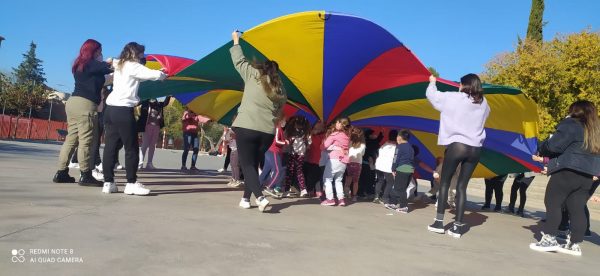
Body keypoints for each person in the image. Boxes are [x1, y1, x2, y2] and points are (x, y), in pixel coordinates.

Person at [529, 100, 600, 256]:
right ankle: (574, 244)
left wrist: (542, 147)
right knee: (577, 208)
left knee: (553, 202)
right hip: (587, 175)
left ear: (575, 110)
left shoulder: (571, 124)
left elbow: (554, 145)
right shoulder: (595, 129)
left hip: (567, 170)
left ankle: (549, 239)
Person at [425, 74, 490, 238]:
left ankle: (439, 222)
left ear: (463, 85)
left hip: (457, 146)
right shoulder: (484, 103)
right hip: (475, 149)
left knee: (445, 182)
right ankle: (458, 227)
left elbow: (432, 96)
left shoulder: (455, 98)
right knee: (462, 187)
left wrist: (432, 83)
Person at [230, 31, 286, 212]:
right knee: (253, 165)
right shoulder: (280, 88)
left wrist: (236, 40)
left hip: (247, 126)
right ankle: (246, 199)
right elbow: (279, 110)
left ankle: (260, 198)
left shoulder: (253, 75)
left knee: (247, 165)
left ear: (262, 67)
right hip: (267, 132)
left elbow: (239, 60)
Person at [101, 42, 167, 195]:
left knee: (110, 147)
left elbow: (138, 77)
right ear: (134, 54)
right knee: (131, 148)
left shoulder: (120, 66)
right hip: (124, 111)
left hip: (110, 110)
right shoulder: (132, 65)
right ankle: (131, 183)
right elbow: (153, 74)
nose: (142, 57)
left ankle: (108, 182)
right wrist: (162, 75)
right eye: (141, 54)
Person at [53, 39, 112, 187]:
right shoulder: (91, 64)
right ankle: (85, 174)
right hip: (85, 104)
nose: (101, 54)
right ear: (94, 51)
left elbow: (103, 78)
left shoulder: (80, 65)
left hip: (73, 103)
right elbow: (108, 67)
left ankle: (61, 172)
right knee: (86, 140)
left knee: (71, 139)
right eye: (99, 51)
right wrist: (113, 62)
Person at [321, 117, 351, 206]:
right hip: (344, 160)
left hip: (334, 158)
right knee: (338, 180)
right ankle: (341, 199)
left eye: (337, 123)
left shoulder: (335, 135)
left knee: (327, 179)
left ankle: (330, 199)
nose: (336, 124)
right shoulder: (347, 136)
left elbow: (324, 146)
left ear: (340, 124)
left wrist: (328, 145)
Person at [138, 96, 171, 170]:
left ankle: (149, 163)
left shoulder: (159, 104)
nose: (154, 99)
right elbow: (138, 103)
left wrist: (168, 96)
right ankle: (140, 163)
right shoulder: (146, 103)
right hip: (147, 126)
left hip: (156, 126)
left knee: (152, 145)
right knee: (145, 144)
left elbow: (165, 103)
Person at [386, 129, 414, 213]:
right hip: (410, 169)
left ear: (399, 137)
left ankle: (404, 206)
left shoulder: (399, 146)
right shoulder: (410, 147)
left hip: (402, 169)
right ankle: (393, 203)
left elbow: (395, 159)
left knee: (400, 189)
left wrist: (393, 168)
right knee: (399, 187)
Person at [284, 116, 311, 197]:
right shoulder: (304, 132)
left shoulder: (305, 133)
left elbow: (309, 144)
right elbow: (309, 144)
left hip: (297, 154)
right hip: (296, 153)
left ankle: (300, 189)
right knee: (293, 171)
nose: (298, 127)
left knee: (294, 171)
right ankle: (291, 189)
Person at [261, 118, 288, 198]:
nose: (285, 122)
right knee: (278, 170)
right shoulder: (277, 128)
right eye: (285, 120)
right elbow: (276, 141)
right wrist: (285, 142)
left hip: (271, 151)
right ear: (280, 120)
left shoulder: (278, 128)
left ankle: (257, 185)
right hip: (274, 151)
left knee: (266, 170)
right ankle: (270, 187)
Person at [373, 130, 398, 204]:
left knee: (380, 180)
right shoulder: (396, 147)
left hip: (379, 165)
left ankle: (376, 197)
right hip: (388, 167)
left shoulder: (384, 145)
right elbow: (395, 159)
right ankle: (385, 198)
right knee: (390, 182)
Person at [304, 121, 326, 197]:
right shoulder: (310, 133)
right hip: (310, 158)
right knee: (310, 176)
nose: (320, 126)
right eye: (319, 123)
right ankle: (310, 190)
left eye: (321, 124)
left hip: (318, 160)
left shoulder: (324, 135)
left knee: (316, 176)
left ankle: (313, 190)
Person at [359, 128, 382, 198]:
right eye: (372, 134)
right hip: (367, 163)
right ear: (369, 135)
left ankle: (363, 192)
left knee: (366, 178)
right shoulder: (369, 142)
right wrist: (381, 134)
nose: (374, 135)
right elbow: (376, 142)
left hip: (367, 163)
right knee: (367, 178)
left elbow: (377, 141)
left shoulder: (369, 141)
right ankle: (364, 192)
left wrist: (381, 134)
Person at [345, 127, 365, 202]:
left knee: (348, 179)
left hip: (349, 162)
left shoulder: (349, 143)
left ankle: (346, 193)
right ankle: (354, 196)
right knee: (355, 181)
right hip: (358, 164)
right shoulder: (362, 145)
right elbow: (362, 154)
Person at [181, 108, 201, 173]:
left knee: (196, 149)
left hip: (195, 133)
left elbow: (202, 118)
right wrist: (191, 114)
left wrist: (210, 119)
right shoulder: (186, 112)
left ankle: (193, 166)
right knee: (186, 149)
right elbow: (184, 118)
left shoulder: (197, 113)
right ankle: (183, 166)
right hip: (187, 133)